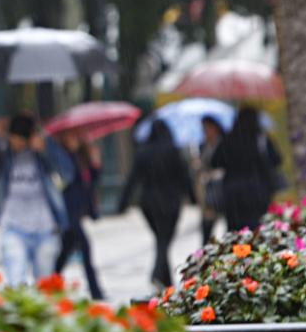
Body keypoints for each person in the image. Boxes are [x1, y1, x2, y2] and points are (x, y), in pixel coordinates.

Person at [0, 112, 73, 287]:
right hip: (13, 227)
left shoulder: (42, 154)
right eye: (14, 139)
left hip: (45, 229)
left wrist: (47, 147)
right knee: (16, 280)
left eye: (21, 140)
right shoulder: (3, 154)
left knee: (45, 285)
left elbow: (68, 173)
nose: (17, 144)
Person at [118, 121, 196, 289]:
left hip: (149, 203)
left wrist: (122, 203)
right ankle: (157, 273)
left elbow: (133, 179)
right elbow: (185, 176)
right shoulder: (173, 151)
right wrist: (193, 197)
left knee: (161, 239)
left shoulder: (143, 152)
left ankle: (165, 279)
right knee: (164, 239)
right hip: (171, 202)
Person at [210, 106, 282, 232]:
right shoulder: (260, 139)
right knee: (259, 228)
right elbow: (276, 160)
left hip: (233, 194)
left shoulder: (228, 139)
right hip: (258, 191)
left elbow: (215, 162)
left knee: (235, 231)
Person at [53, 131, 106, 300]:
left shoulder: (83, 156)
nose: (73, 139)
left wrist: (95, 161)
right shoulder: (62, 158)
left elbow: (93, 180)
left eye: (75, 135)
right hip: (68, 212)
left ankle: (49, 284)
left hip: (79, 210)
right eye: (69, 136)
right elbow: (63, 181)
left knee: (64, 253)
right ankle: (96, 292)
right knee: (85, 248)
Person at [194, 115, 226, 244]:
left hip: (223, 188)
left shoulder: (224, 143)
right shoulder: (203, 145)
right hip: (208, 190)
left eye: (207, 128)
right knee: (206, 226)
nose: (206, 132)